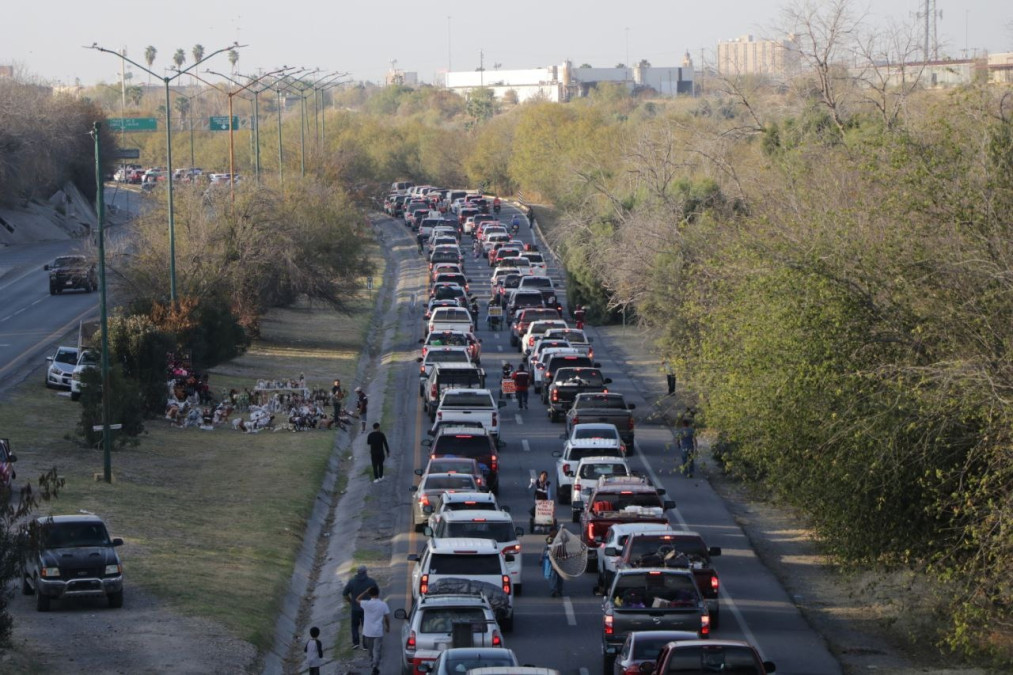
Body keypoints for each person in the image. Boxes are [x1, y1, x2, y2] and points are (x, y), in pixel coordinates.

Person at [341, 566, 378, 650]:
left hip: (355, 608)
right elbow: (376, 593)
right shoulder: (371, 582)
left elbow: (345, 594)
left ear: (357, 572)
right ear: (365, 572)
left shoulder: (352, 582)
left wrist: (350, 601)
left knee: (354, 626)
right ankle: (365, 645)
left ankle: (355, 643)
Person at [357, 586, 390, 675]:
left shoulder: (366, 604)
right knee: (377, 650)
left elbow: (357, 599)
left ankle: (373, 664)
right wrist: (388, 627)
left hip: (368, 632)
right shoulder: (383, 604)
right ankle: (375, 666)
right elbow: (387, 617)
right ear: (378, 593)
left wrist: (365, 592)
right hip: (378, 631)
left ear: (370, 594)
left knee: (370, 650)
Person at [540, 527, 564, 597]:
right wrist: (541, 558)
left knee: (560, 576)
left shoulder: (560, 539)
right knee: (552, 575)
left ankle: (559, 590)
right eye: (552, 532)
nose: (553, 533)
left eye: (554, 532)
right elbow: (545, 548)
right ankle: (553, 590)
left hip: (559, 559)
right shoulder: (549, 539)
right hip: (551, 560)